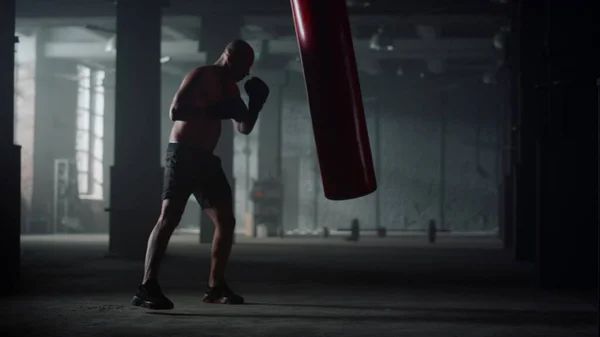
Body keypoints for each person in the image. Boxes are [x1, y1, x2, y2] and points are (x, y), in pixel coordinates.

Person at [131, 40, 270, 309]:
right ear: (230, 58)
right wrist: (214, 110)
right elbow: (176, 111)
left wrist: (256, 104)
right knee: (169, 218)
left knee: (226, 222)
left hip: (206, 160)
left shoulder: (231, 87)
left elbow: (244, 128)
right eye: (244, 65)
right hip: (182, 153)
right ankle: (146, 287)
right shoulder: (202, 75)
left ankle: (215, 287)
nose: (247, 72)